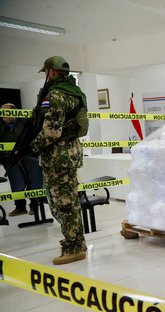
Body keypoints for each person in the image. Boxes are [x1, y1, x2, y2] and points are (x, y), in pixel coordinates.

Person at [29, 56, 89, 265]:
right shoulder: (75, 92)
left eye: (46, 72)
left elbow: (51, 132)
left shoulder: (55, 95)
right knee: (68, 202)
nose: (46, 76)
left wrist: (32, 147)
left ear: (51, 72)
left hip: (57, 157)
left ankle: (74, 248)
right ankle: (76, 242)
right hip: (69, 154)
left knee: (62, 204)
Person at [1, 103, 44, 216]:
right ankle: (20, 207)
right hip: (10, 159)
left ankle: (34, 206)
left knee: (33, 181)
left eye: (5, 111)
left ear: (14, 112)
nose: (3, 114)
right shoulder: (1, 126)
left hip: (28, 156)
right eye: (1, 112)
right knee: (16, 183)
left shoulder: (25, 122)